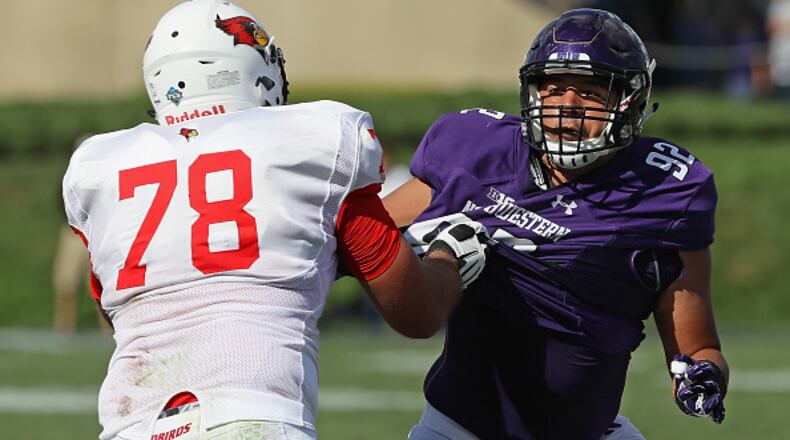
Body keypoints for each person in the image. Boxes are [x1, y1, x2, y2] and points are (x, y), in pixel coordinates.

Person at [61, 1, 489, 439]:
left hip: (132, 424)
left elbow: (122, 311)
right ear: (250, 69)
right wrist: (447, 262)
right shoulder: (314, 140)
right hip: (253, 418)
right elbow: (416, 315)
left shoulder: (102, 166)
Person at [384, 9, 729, 440]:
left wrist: (700, 375)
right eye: (554, 88)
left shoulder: (666, 191)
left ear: (630, 101)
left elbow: (697, 346)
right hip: (458, 430)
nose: (567, 106)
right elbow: (367, 237)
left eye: (589, 92)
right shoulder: (477, 152)